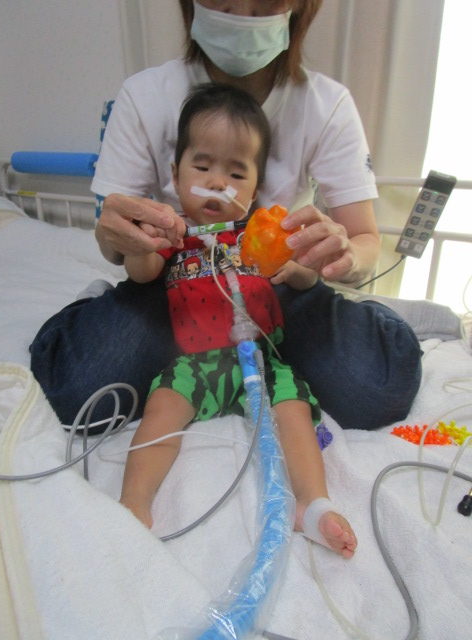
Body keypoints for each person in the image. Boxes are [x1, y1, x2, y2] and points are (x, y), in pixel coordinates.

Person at [30, 0, 421, 430]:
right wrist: (122, 240)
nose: (242, 18)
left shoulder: (326, 104)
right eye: (226, 3)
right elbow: (121, 242)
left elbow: (364, 241)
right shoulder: (144, 95)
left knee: (374, 390)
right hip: (176, 277)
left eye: (262, 6)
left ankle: (376, 319)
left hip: (273, 281)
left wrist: (343, 257)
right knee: (81, 392)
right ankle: (90, 308)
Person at [119, 82, 357, 557]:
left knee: (293, 412)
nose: (216, 183)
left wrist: (300, 267)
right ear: (175, 175)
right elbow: (141, 272)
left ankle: (312, 504)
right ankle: (133, 504)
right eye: (202, 166)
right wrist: (143, 241)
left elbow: (302, 278)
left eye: (235, 173)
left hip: (262, 361)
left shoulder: (261, 234)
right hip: (196, 365)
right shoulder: (174, 236)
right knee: (162, 409)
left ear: (255, 188)